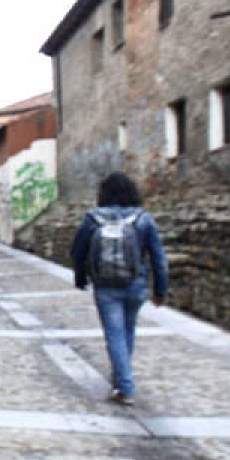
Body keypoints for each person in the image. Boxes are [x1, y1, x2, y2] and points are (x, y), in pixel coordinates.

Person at [70, 172, 169, 406]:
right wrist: (161, 289)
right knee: (127, 331)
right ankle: (120, 379)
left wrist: (80, 277)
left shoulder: (92, 219)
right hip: (136, 285)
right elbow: (158, 258)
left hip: (106, 286)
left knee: (115, 334)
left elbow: (77, 252)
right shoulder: (143, 219)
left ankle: (124, 386)